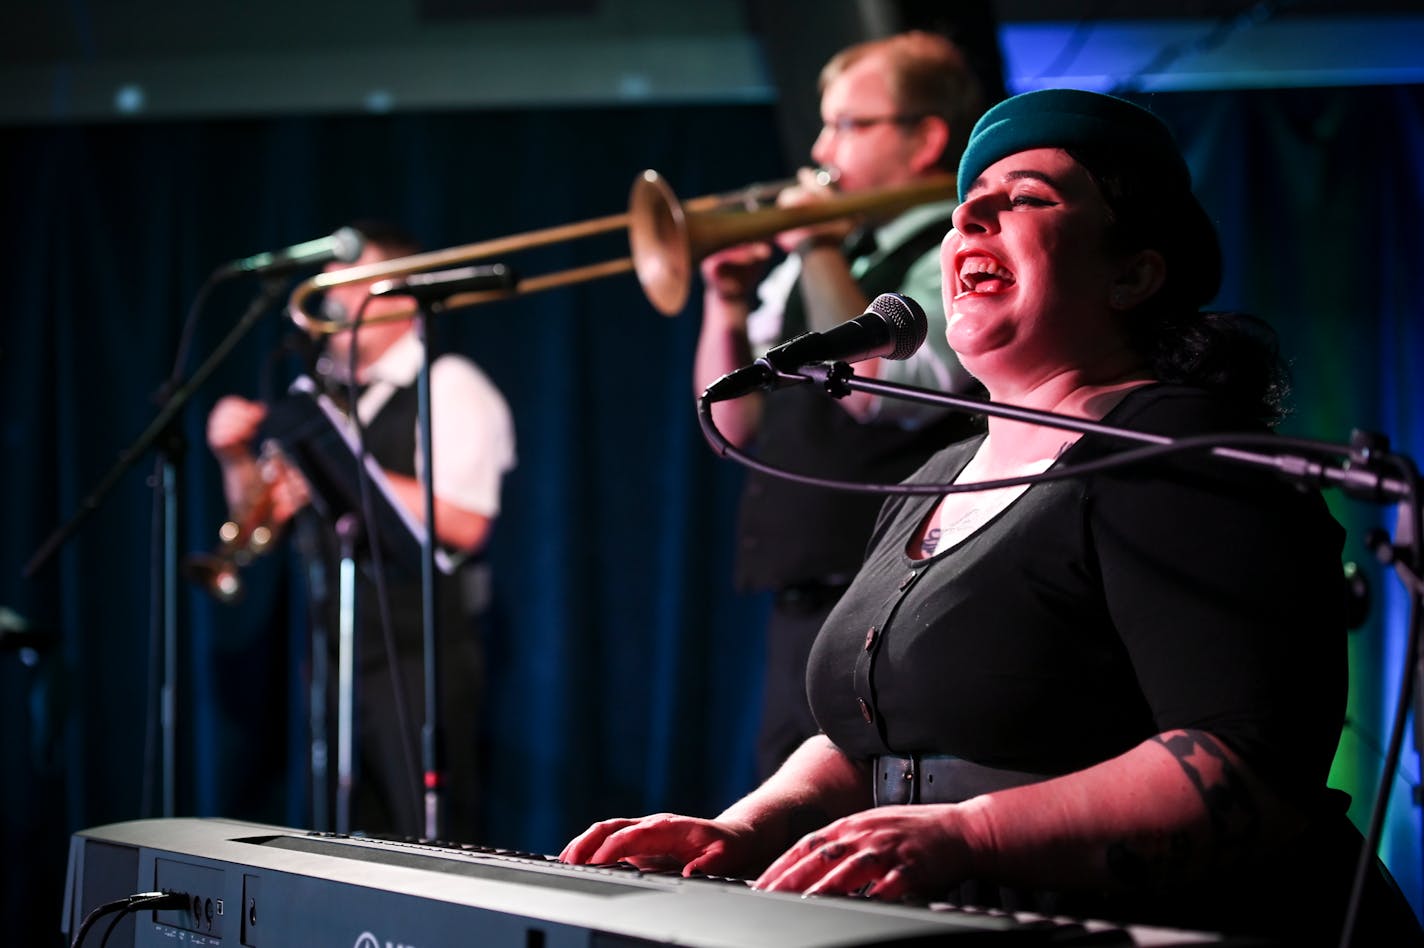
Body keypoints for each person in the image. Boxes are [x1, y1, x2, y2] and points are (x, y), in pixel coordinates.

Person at [565, 90, 1423, 944]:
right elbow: (867, 739)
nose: (972, 210)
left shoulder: (1180, 452)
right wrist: (748, 829)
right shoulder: (936, 476)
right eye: (968, 205)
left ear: (1133, 273)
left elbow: (1244, 763)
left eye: (1029, 198)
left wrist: (971, 832)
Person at [695, 30, 991, 780]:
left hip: (897, 596)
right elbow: (734, 422)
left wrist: (819, 250)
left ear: (925, 137)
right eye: (825, 122)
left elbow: (885, 397)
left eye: (851, 125)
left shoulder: (947, 248)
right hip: (804, 598)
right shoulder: (816, 259)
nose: (824, 147)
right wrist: (724, 308)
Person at [206, 220, 516, 842]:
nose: (335, 301)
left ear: (402, 298)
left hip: (418, 660)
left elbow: (467, 521)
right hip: (333, 657)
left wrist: (345, 470)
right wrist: (236, 460)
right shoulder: (323, 396)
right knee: (346, 843)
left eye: (355, 284)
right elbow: (258, 520)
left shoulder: (450, 385)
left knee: (433, 846)